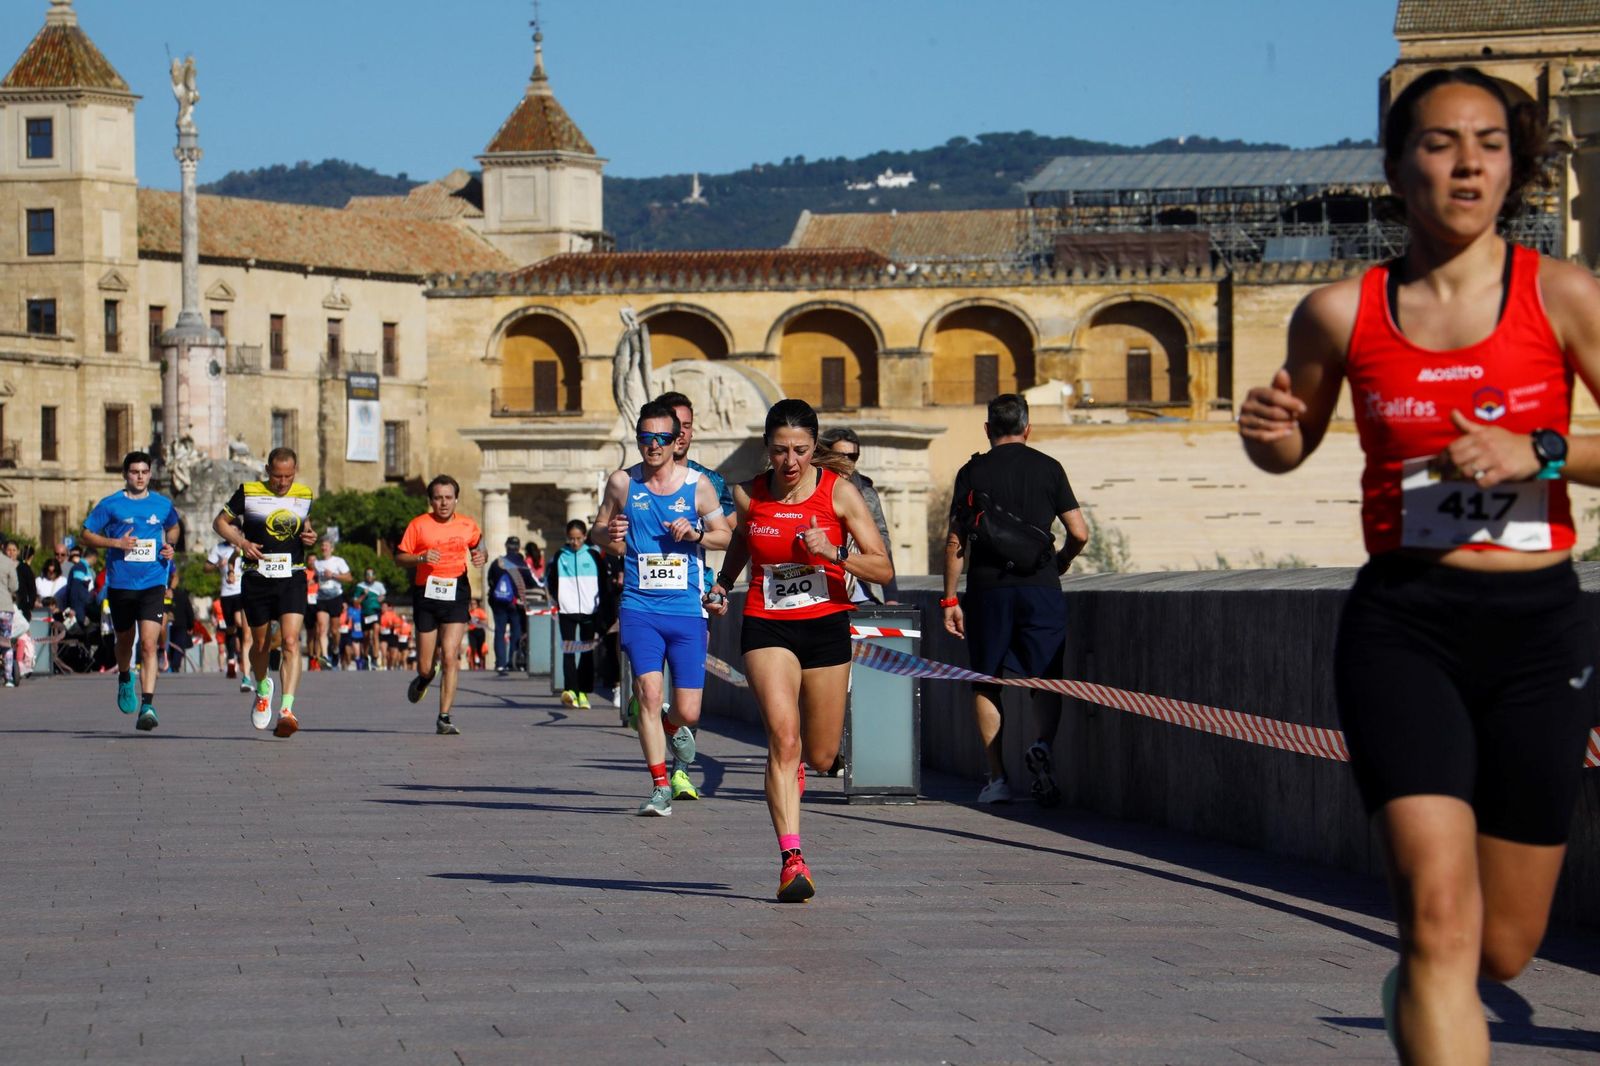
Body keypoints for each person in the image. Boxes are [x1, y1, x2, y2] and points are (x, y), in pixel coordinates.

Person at [1239, 67, 1600, 1064]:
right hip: (1404, 626)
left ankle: (1423, 990)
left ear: (1515, 167)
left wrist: (1541, 451)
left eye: (1490, 143)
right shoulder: (1337, 313)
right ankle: (1429, 976)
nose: (1467, 164)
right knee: (1438, 917)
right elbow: (1291, 442)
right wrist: (1267, 433)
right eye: (1440, 143)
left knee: (1506, 946)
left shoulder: (1564, 296)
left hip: (1539, 631)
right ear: (1398, 168)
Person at [708, 399, 893, 901]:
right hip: (767, 626)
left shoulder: (840, 493)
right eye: (779, 450)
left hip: (826, 625)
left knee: (822, 752)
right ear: (766, 448)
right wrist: (724, 583)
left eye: (800, 450)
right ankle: (792, 860)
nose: (790, 461)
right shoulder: (748, 493)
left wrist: (835, 552)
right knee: (784, 738)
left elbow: (882, 567)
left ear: (814, 447)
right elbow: (743, 539)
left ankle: (798, 771)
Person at [941, 394, 1089, 807]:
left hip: (988, 590)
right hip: (1040, 585)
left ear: (988, 429)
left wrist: (949, 599)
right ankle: (1042, 744)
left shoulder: (972, 472)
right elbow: (1079, 532)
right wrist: (1061, 561)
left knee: (986, 681)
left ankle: (998, 778)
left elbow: (955, 541)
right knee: (1046, 677)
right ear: (1028, 428)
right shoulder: (1049, 467)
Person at [592, 400, 733, 815]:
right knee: (649, 694)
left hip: (687, 610)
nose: (653, 445)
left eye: (662, 438)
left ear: (676, 442)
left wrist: (696, 535)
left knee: (688, 711)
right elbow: (599, 531)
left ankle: (673, 726)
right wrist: (611, 532)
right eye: (645, 438)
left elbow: (726, 536)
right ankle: (659, 787)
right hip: (640, 606)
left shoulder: (698, 486)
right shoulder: (622, 483)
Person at [213, 446, 318, 738]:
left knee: (291, 641)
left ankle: (287, 710)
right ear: (267, 470)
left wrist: (310, 535)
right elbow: (219, 523)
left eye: (288, 476)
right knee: (260, 644)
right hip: (257, 577)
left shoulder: (304, 494)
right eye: (277, 476)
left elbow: (304, 526)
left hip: (292, 576)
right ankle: (262, 687)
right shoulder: (249, 492)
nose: (282, 482)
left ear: (295, 472)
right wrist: (242, 543)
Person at [80, 451, 180, 731]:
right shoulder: (111, 504)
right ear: (125, 474)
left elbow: (173, 527)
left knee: (148, 644)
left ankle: (147, 705)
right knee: (125, 640)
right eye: (134, 472)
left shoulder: (162, 504)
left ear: (150, 474)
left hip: (153, 582)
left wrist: (171, 545)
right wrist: (116, 543)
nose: (139, 477)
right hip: (121, 584)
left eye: (144, 472)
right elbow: (85, 535)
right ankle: (125, 676)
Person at [396, 475, 487, 735]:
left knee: (450, 655)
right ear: (431, 500)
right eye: (438, 498)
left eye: (448, 498)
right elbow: (400, 557)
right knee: (426, 666)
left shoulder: (467, 525)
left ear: (456, 499)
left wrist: (481, 555)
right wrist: (421, 558)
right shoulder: (418, 525)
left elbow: (479, 545)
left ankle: (444, 717)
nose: (443, 503)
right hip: (426, 593)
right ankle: (425, 678)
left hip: (456, 592)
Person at [819, 426, 902, 605]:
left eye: (853, 456)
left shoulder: (865, 491)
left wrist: (891, 596)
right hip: (820, 589)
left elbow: (881, 544)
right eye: (841, 456)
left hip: (862, 591)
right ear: (826, 455)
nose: (847, 462)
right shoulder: (812, 489)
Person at [547, 518, 610, 708]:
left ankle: (583, 692)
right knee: (568, 652)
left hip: (589, 611)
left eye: (578, 538)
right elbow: (551, 580)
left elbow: (603, 583)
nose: (575, 543)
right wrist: (558, 600)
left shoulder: (593, 555)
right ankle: (571, 690)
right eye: (571, 539)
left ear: (584, 537)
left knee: (586, 653)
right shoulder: (560, 555)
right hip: (567, 610)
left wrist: (601, 607)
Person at [205, 537, 251, 689]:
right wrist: (218, 564)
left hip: (242, 591)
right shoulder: (219, 548)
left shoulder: (246, 544)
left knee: (240, 623)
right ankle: (231, 658)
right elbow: (206, 567)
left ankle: (242, 657)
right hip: (226, 594)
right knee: (230, 628)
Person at [486, 536, 533, 674]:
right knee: (516, 632)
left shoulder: (497, 563)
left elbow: (490, 581)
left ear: (506, 547)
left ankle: (500, 663)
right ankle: (512, 662)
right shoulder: (522, 564)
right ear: (518, 548)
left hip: (499, 603)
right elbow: (531, 583)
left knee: (499, 632)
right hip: (515, 604)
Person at [311, 539, 350, 670]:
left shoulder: (339, 561)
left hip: (335, 597)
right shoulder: (317, 563)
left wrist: (333, 575)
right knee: (321, 628)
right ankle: (325, 657)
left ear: (332, 549)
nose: (324, 548)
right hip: (321, 598)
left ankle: (335, 649)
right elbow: (316, 578)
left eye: (326, 546)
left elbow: (349, 578)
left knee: (334, 630)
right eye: (322, 546)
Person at [164, 568, 196, 674]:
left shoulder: (162, 593)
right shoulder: (182, 594)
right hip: (180, 625)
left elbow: (189, 612)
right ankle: (175, 666)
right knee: (178, 646)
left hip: (172, 625)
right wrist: (190, 626)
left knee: (172, 645)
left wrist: (190, 625)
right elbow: (189, 612)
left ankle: (171, 665)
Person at [354, 568, 386, 670]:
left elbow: (384, 596)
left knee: (376, 633)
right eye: (367, 575)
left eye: (371, 575)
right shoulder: (360, 586)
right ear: (365, 576)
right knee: (366, 636)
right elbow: (356, 602)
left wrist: (382, 599)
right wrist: (364, 595)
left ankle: (375, 658)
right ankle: (365, 657)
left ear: (374, 576)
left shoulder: (379, 585)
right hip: (365, 613)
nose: (369, 577)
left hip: (376, 612)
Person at [466, 597, 488, 670]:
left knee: (480, 649)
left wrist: (479, 621)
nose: (472, 605)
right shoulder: (469, 612)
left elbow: (485, 622)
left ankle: (482, 664)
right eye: (471, 604)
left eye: (474, 603)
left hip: (479, 631)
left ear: (477, 604)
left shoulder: (480, 611)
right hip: (472, 632)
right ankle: (473, 665)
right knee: (472, 648)